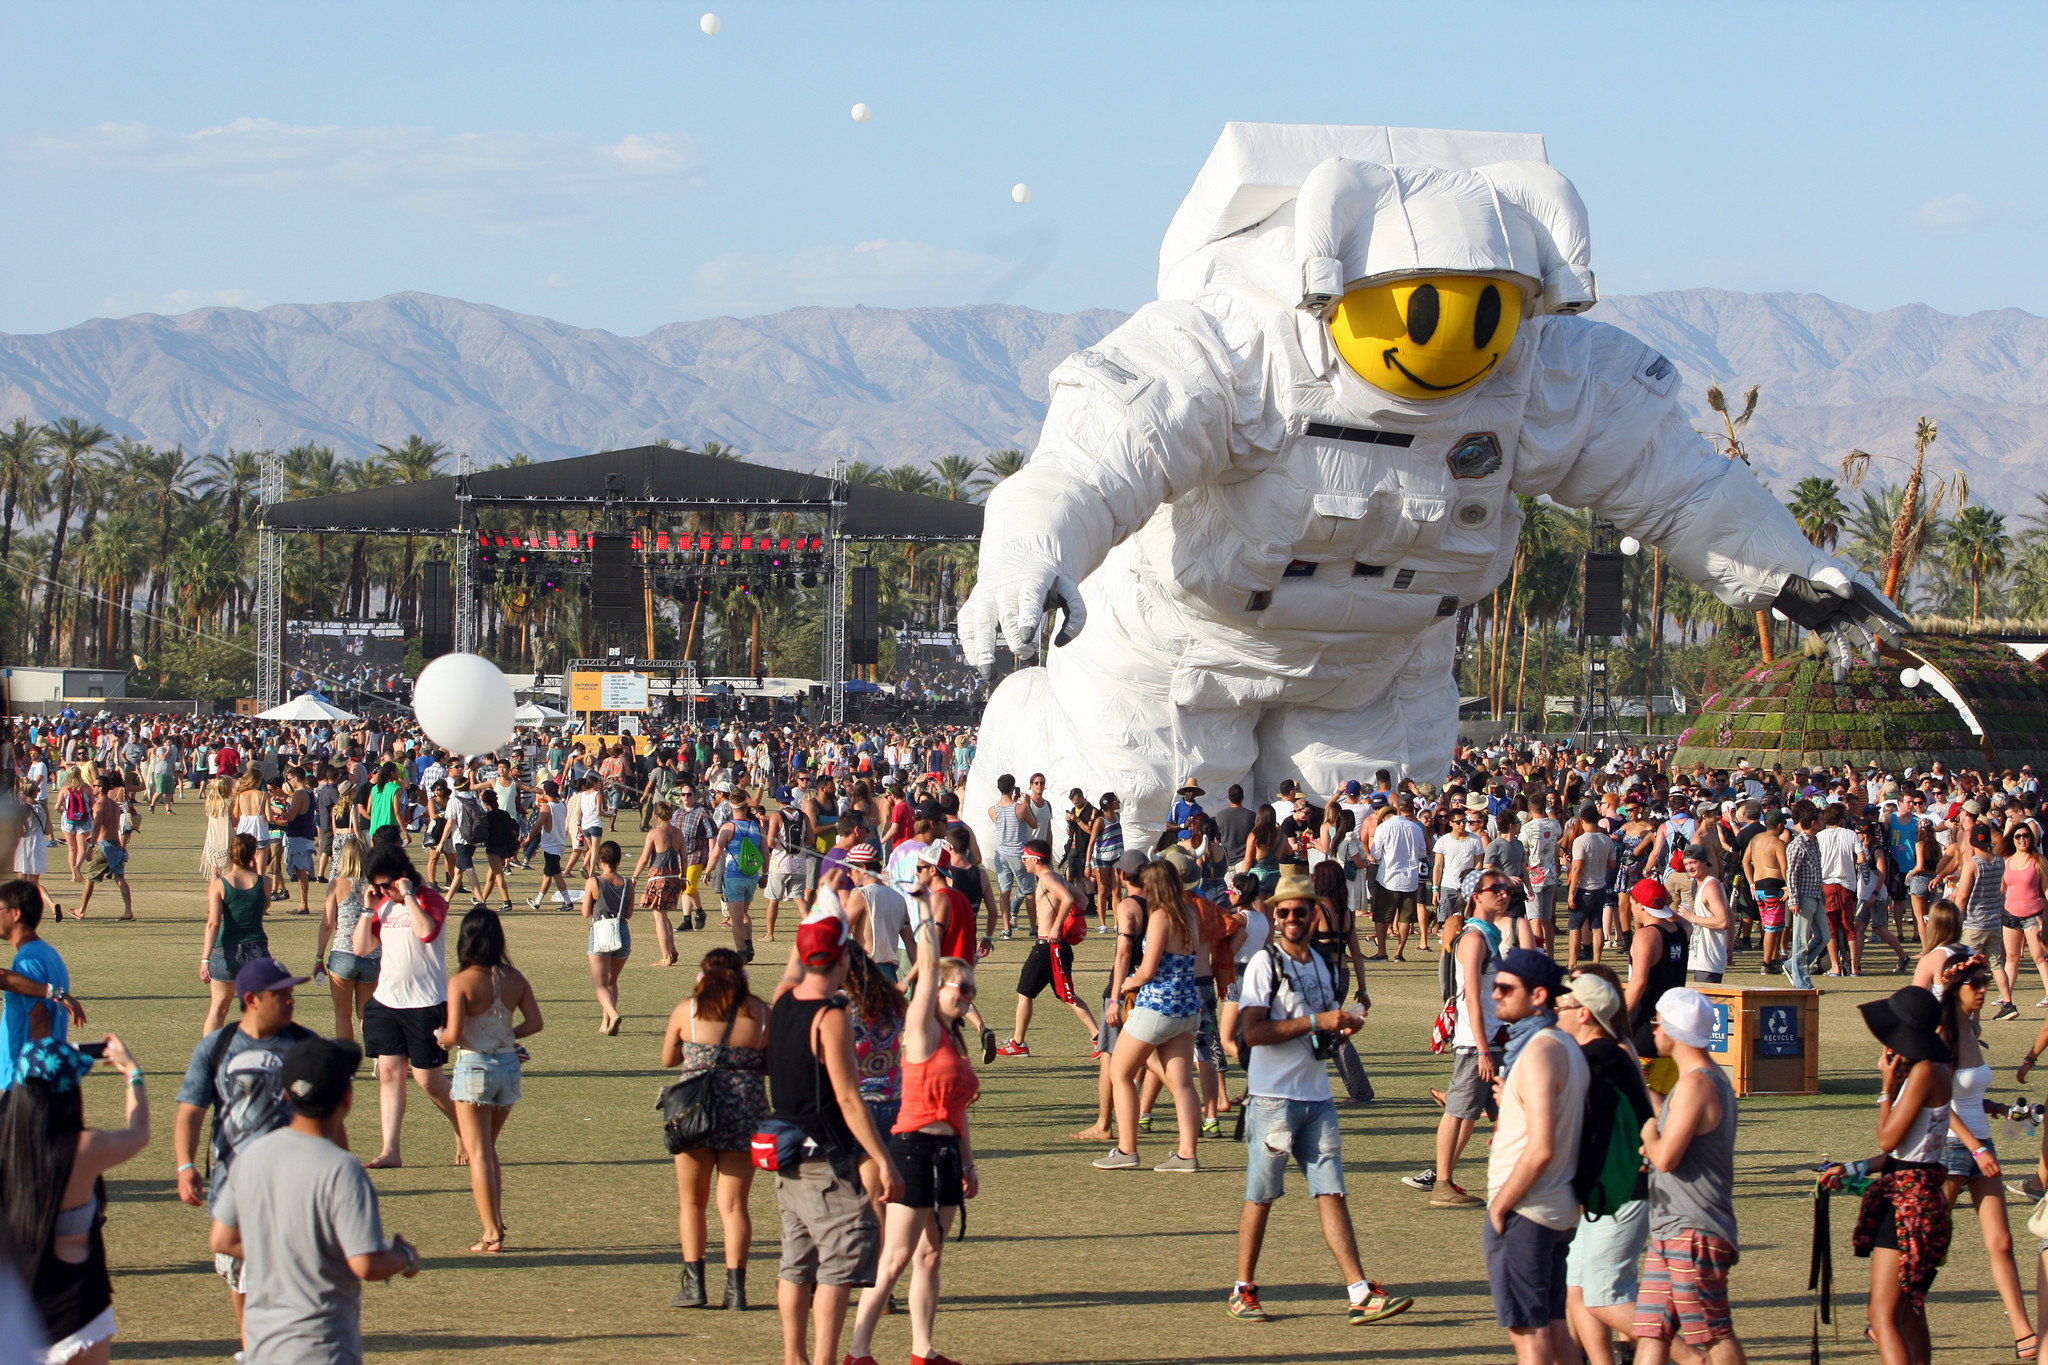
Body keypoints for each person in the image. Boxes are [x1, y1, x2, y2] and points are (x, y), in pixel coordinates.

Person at [1227, 866, 1412, 1326]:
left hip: (1317, 1096)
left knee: (1332, 1192)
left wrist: (1341, 1027)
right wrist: (1316, 1024)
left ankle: (1358, 1290)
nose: (1293, 917)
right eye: (1284, 911)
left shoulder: (1324, 966)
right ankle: (1242, 1289)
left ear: (1315, 914)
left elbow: (1322, 1032)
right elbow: (1250, 1032)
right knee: (1261, 1196)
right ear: (1275, 915)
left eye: (1300, 910)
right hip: (1273, 1098)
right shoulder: (1264, 965)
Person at [207, 1036, 421, 1364]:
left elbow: (222, 1238)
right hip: (322, 1348)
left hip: (262, 1346)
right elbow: (364, 1263)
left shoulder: (252, 1155)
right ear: (346, 1100)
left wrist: (283, 1256)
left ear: (286, 1096)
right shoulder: (342, 1168)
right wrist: (404, 1257)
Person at [845, 895, 982, 1365]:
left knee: (930, 1257)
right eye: (958, 988)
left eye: (971, 992)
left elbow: (959, 1113)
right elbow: (925, 963)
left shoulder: (955, 1040)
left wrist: (968, 1162)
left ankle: (922, 1350)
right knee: (896, 1257)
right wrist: (923, 911)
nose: (965, 996)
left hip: (945, 1155)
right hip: (912, 1148)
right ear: (936, 988)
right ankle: (858, 1351)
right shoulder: (922, 1028)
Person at [768, 911, 903, 1365]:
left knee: (795, 1265)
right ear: (843, 958)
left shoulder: (784, 1000)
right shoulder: (830, 1015)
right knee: (836, 1270)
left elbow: (793, 967)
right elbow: (848, 1098)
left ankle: (793, 1358)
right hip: (826, 1161)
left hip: (787, 1159)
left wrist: (818, 915)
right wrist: (883, 1160)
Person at [173, 957, 319, 1340]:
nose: (291, 1000)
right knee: (242, 1282)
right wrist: (185, 1166)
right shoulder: (217, 1046)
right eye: (281, 994)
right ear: (252, 999)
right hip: (233, 1187)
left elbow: (330, 1118)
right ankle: (254, 1347)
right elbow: (190, 1112)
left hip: (293, 1186)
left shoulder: (307, 1047)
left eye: (291, 993)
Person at [1817, 986, 1955, 1365]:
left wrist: (1885, 1090)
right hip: (1923, 1195)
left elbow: (1888, 1136)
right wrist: (1854, 1168)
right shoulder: (1934, 1068)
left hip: (1908, 1208)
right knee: (1909, 1310)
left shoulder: (1925, 1071)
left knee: (1882, 1316)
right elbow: (1905, 1155)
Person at [1, 1035, 148, 1365]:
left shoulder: (6, 1147)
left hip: (14, 1322)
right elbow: (139, 1133)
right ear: (70, 1092)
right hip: (80, 1313)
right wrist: (131, 1071)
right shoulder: (85, 1148)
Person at [1484, 947, 1589, 1365]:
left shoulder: (1540, 1051)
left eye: (1506, 988)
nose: (1496, 995)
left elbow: (1542, 1146)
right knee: (1556, 1329)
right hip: (1557, 1209)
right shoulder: (1563, 1044)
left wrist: (1502, 1206)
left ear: (1539, 995)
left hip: (1528, 1210)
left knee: (1528, 1338)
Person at [1930, 952, 2036, 1358]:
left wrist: (2000, 1110)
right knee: (1931, 1242)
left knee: (2003, 1242)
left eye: (1985, 983)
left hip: (1981, 1144)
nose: (1983, 990)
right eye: (1976, 984)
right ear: (1956, 989)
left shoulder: (1971, 1029)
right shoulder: (1943, 1035)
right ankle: (1891, 1310)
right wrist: (1974, 1146)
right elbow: (1938, 1101)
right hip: (1954, 1149)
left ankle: (2024, 1334)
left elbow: (1967, 1094)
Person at [1635, 988, 1745, 1365]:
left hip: (1693, 1232)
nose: (1654, 1030)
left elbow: (1665, 1156)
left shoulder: (1697, 1084)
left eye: (1658, 1022)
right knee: (1650, 1331)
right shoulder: (1703, 1080)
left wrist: (1649, 1134)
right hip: (1672, 1228)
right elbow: (1675, 1120)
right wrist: (1640, 1085)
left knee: (1713, 1334)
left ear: (1673, 1029)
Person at [1556, 967, 1656, 1365]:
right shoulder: (1603, 1052)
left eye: (1561, 1005)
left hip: (1620, 1192)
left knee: (1603, 1297)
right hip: (1611, 1192)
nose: (1554, 1012)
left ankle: (1687, 1355)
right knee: (1580, 1288)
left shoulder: (1597, 1057)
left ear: (1584, 1013)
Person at [662, 946, 770, 1310]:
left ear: (703, 976)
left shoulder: (687, 1010)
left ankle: (695, 1286)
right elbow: (769, 1062)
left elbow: (668, 1058)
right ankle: (735, 1289)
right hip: (745, 1106)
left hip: (695, 1109)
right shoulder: (760, 1013)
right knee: (735, 1205)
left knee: (692, 1201)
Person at [349, 845, 462, 1169]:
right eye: (379, 886)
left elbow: (427, 932)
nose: (383, 891)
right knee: (389, 1073)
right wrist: (369, 909)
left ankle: (463, 1127)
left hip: (426, 1003)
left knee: (428, 1080)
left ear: (402, 877)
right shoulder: (382, 904)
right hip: (387, 1001)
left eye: (387, 885)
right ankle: (390, 1150)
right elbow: (361, 947)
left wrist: (409, 895)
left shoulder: (429, 899)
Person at [436, 908, 542, 1254]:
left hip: (475, 1067)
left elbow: (452, 1034)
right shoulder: (513, 977)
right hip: (508, 1066)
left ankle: (491, 1232)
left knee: (477, 1152)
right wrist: (507, 1035)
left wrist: (439, 1036)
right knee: (488, 1150)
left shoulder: (461, 981)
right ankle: (494, 1221)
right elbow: (535, 1022)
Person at [1093, 860, 1204, 1173]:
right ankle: (1186, 1155)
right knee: (1182, 1084)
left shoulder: (1160, 916)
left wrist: (1129, 982)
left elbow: (1149, 967)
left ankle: (1127, 1149)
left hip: (1157, 1006)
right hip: (1187, 1007)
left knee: (1120, 1072)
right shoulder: (1190, 913)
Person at [1406, 866, 1507, 1205]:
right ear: (1476, 896)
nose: (1504, 893)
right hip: (1477, 1042)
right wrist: (1482, 1049)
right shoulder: (1475, 938)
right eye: (1496, 888)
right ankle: (1442, 1182)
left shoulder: (1487, 933)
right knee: (1458, 1111)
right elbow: (1472, 999)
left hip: (1492, 1039)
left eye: (1505, 887)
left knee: (1483, 1111)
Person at [1002, 840, 1099, 1056]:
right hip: (1054, 945)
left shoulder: (1046, 878)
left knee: (1026, 992)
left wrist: (1056, 926)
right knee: (1065, 994)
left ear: (1035, 859)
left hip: (1048, 945)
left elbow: (1067, 898)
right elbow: (1081, 899)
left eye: (1025, 858)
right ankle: (1097, 1037)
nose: (1023, 862)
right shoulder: (1053, 877)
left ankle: (1018, 1044)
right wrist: (1069, 922)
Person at [0, 882, 72, 1092]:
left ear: (15, 914)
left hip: (24, 1085)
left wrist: (33, 1087)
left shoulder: (28, 960)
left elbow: (40, 1019)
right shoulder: (47, 952)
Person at [200, 834, 271, 1036]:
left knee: (218, 1010)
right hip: (256, 949)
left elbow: (213, 923)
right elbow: (265, 905)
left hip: (227, 950)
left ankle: (210, 1057)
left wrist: (205, 959)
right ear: (253, 854)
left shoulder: (220, 884)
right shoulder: (264, 882)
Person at [314, 836, 378, 1043]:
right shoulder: (374, 885)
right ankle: (378, 1056)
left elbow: (327, 924)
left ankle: (347, 1060)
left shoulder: (337, 884)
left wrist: (319, 957)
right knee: (366, 1014)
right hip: (371, 954)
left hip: (343, 954)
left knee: (343, 1015)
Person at [705, 789, 767, 964]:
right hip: (751, 877)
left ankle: (741, 952)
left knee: (736, 918)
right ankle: (748, 942)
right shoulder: (756, 827)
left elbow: (716, 853)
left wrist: (708, 871)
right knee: (744, 912)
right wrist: (765, 874)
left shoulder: (727, 827)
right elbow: (765, 853)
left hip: (733, 876)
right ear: (746, 805)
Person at [631, 801, 685, 967]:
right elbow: (684, 858)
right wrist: (684, 878)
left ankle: (665, 956)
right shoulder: (678, 834)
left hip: (658, 878)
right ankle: (672, 947)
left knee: (659, 918)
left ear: (656, 816)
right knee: (664, 915)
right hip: (674, 878)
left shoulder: (654, 834)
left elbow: (644, 858)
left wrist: (634, 877)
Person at [70, 780, 132, 923]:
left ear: (101, 788)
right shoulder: (114, 805)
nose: (93, 788)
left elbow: (97, 825)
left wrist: (91, 847)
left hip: (103, 847)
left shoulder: (98, 805)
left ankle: (81, 910)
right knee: (120, 878)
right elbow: (111, 825)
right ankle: (128, 911)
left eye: (95, 785)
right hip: (115, 844)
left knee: (90, 879)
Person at [1679, 845, 1733, 984]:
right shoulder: (1701, 885)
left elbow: (1723, 922)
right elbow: (1730, 916)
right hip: (1703, 958)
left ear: (1704, 862)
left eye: (1693, 862)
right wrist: (1729, 948)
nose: (1689, 867)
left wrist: (1691, 918)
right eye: (1686, 864)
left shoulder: (1711, 886)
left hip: (1709, 960)